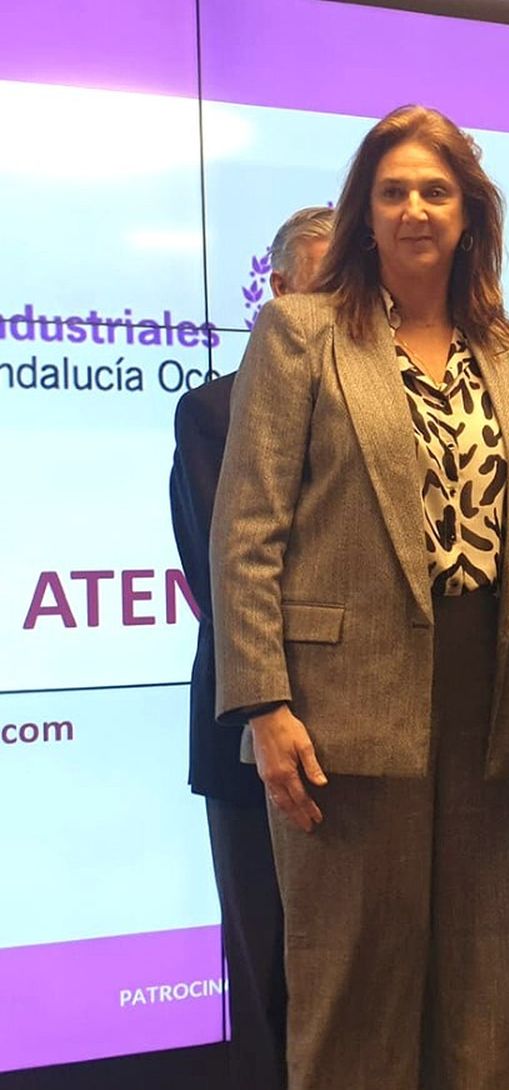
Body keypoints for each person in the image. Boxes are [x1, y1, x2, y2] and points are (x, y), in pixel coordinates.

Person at [211, 104, 509, 1090]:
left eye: (436, 189)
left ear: (468, 212)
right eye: (393, 190)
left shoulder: (508, 350)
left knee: (483, 969)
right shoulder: (301, 332)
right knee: (353, 979)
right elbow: (248, 533)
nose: (415, 208)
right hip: (342, 701)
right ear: (364, 211)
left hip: (487, 693)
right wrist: (266, 705)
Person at [169, 205, 331, 1090]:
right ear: (275, 293)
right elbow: (221, 571)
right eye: (327, 279)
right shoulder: (215, 410)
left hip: (371, 732)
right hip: (249, 728)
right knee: (271, 968)